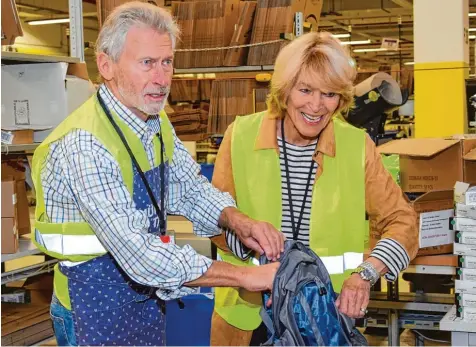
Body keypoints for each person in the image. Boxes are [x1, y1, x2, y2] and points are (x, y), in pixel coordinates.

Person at [30, 2, 285, 346]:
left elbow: (190, 189)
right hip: (91, 306)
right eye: (147, 63)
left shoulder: (155, 121)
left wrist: (239, 222)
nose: (162, 79)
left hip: (144, 298)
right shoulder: (85, 144)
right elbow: (140, 254)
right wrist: (244, 276)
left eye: (166, 62)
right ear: (106, 65)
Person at [209, 32, 419, 346]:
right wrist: (247, 242)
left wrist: (366, 275)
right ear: (285, 90)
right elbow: (213, 218)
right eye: (305, 90)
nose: (316, 106)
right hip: (248, 318)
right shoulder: (240, 135)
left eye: (330, 94)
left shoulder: (355, 146)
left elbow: (404, 223)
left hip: (325, 318)